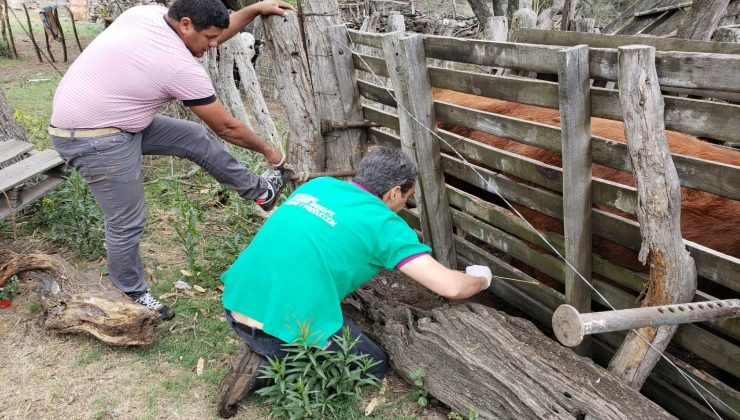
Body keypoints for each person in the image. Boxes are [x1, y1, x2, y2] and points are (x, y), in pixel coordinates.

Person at [48, 0, 295, 320]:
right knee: (126, 221)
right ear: (186, 25)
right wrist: (269, 151)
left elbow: (213, 30)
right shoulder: (178, 66)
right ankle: (131, 294)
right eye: (209, 38)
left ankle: (259, 191)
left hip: (110, 119)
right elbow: (226, 127)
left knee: (192, 136)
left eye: (216, 37)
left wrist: (252, 10)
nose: (214, 44)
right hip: (93, 138)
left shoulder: (148, 13)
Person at [220, 146, 493, 404]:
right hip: (275, 332)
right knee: (372, 364)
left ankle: (269, 344)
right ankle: (269, 369)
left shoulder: (319, 186)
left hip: (233, 302)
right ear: (394, 192)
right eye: (408, 198)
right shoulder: (385, 225)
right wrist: (481, 278)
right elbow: (451, 287)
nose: (404, 205)